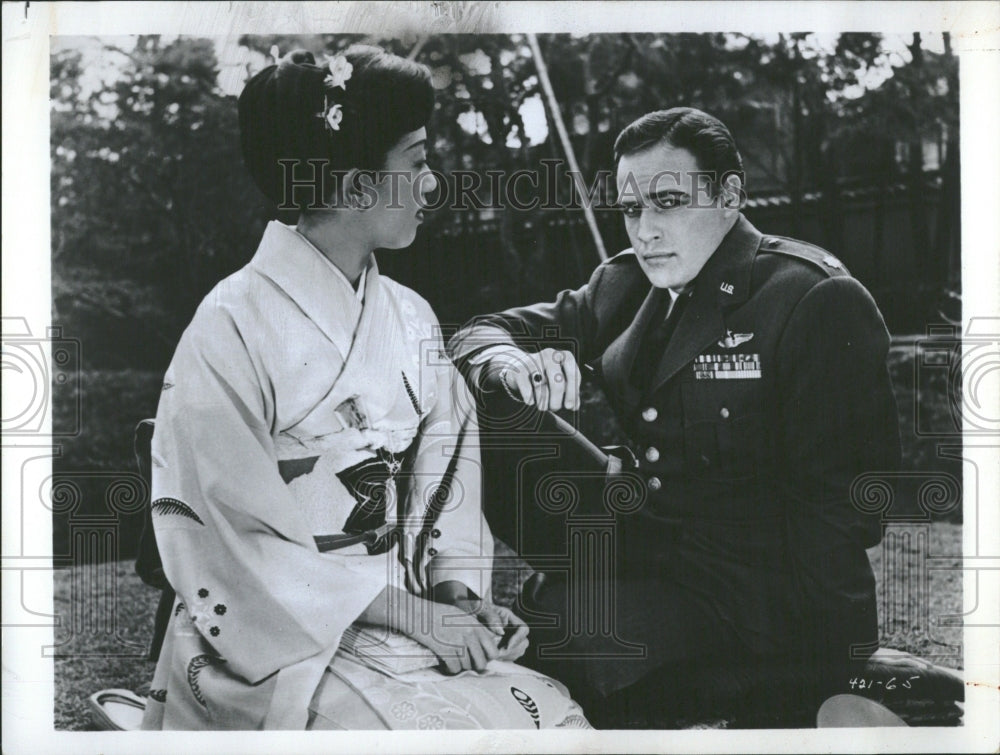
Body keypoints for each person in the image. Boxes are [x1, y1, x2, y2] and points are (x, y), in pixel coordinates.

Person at [141, 46, 589, 731]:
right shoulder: (229, 326)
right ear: (354, 187)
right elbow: (228, 542)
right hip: (273, 641)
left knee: (552, 719)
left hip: (401, 617)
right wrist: (419, 618)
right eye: (415, 163)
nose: (432, 183)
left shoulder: (409, 316)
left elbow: (449, 465)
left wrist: (457, 599)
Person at [447, 107, 901, 727]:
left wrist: (840, 661)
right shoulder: (625, 284)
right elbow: (478, 333)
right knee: (478, 398)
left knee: (566, 642)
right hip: (646, 538)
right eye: (632, 209)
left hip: (749, 588)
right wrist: (507, 363)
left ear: (729, 194)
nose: (645, 231)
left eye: (666, 202)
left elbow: (845, 507)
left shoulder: (810, 297)